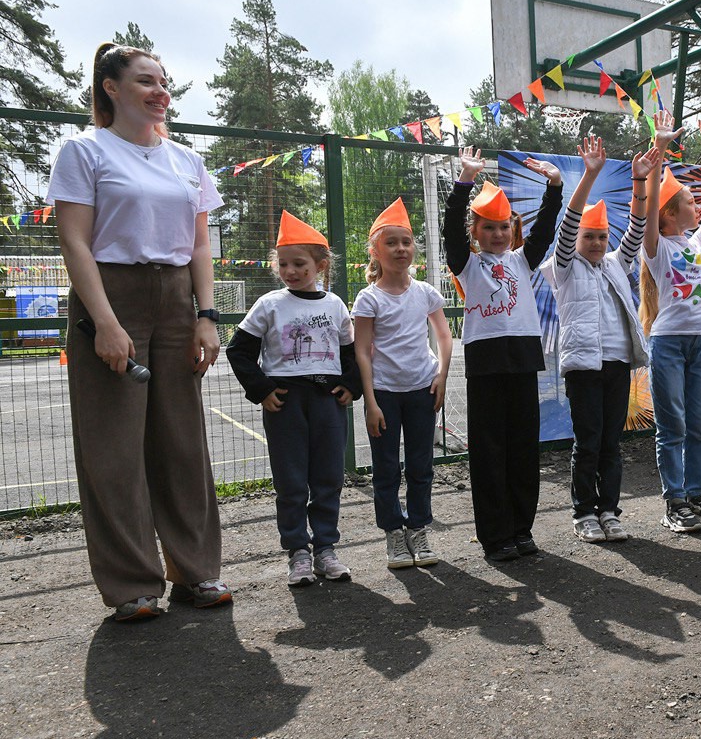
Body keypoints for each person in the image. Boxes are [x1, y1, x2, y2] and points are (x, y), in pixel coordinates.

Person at [49, 42, 230, 622]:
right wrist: (104, 321)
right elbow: (75, 241)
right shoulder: (84, 151)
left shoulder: (186, 161)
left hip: (178, 299)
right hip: (111, 293)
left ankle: (196, 571)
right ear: (111, 87)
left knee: (182, 441)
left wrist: (207, 315)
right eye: (146, 80)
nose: (159, 91)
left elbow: (200, 244)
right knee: (113, 447)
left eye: (163, 81)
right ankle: (132, 585)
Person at [227, 212, 361, 587]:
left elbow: (352, 352)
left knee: (329, 476)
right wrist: (263, 389)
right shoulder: (269, 304)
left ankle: (326, 549)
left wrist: (352, 385)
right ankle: (298, 552)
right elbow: (239, 350)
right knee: (291, 480)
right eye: (283, 264)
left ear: (319, 266)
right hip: (285, 402)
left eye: (299, 263)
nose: (290, 271)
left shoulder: (334, 304)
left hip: (327, 402)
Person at [444, 146, 563, 561]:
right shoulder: (466, 265)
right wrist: (464, 182)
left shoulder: (523, 261)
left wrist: (555, 186)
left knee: (523, 450)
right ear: (475, 231)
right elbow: (449, 235)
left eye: (504, 228)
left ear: (514, 230)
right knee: (489, 451)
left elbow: (546, 230)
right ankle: (495, 537)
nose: (497, 234)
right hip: (486, 365)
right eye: (488, 228)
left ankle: (521, 529)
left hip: (523, 361)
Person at [541, 139, 657, 543]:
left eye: (602, 237)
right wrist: (590, 174)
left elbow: (638, 230)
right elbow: (569, 221)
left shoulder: (615, 265)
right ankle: (583, 513)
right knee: (587, 442)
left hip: (617, 364)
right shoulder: (566, 267)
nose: (596, 243)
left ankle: (609, 510)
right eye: (589, 236)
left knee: (611, 442)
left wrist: (640, 183)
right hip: (583, 368)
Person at [353, 198, 453, 569]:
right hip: (384, 393)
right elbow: (361, 351)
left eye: (406, 242)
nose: (400, 249)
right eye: (391, 242)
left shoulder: (425, 292)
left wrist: (441, 375)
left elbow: (444, 336)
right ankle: (394, 533)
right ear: (375, 251)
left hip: (422, 389)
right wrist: (371, 401)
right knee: (385, 468)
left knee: (420, 465)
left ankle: (419, 528)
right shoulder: (369, 297)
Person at [640, 112, 701, 533]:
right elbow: (646, 212)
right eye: (689, 202)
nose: (698, 205)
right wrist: (657, 151)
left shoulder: (697, 241)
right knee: (672, 427)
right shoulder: (656, 248)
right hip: (669, 344)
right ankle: (674, 501)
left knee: (698, 426)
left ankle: (696, 493)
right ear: (670, 214)